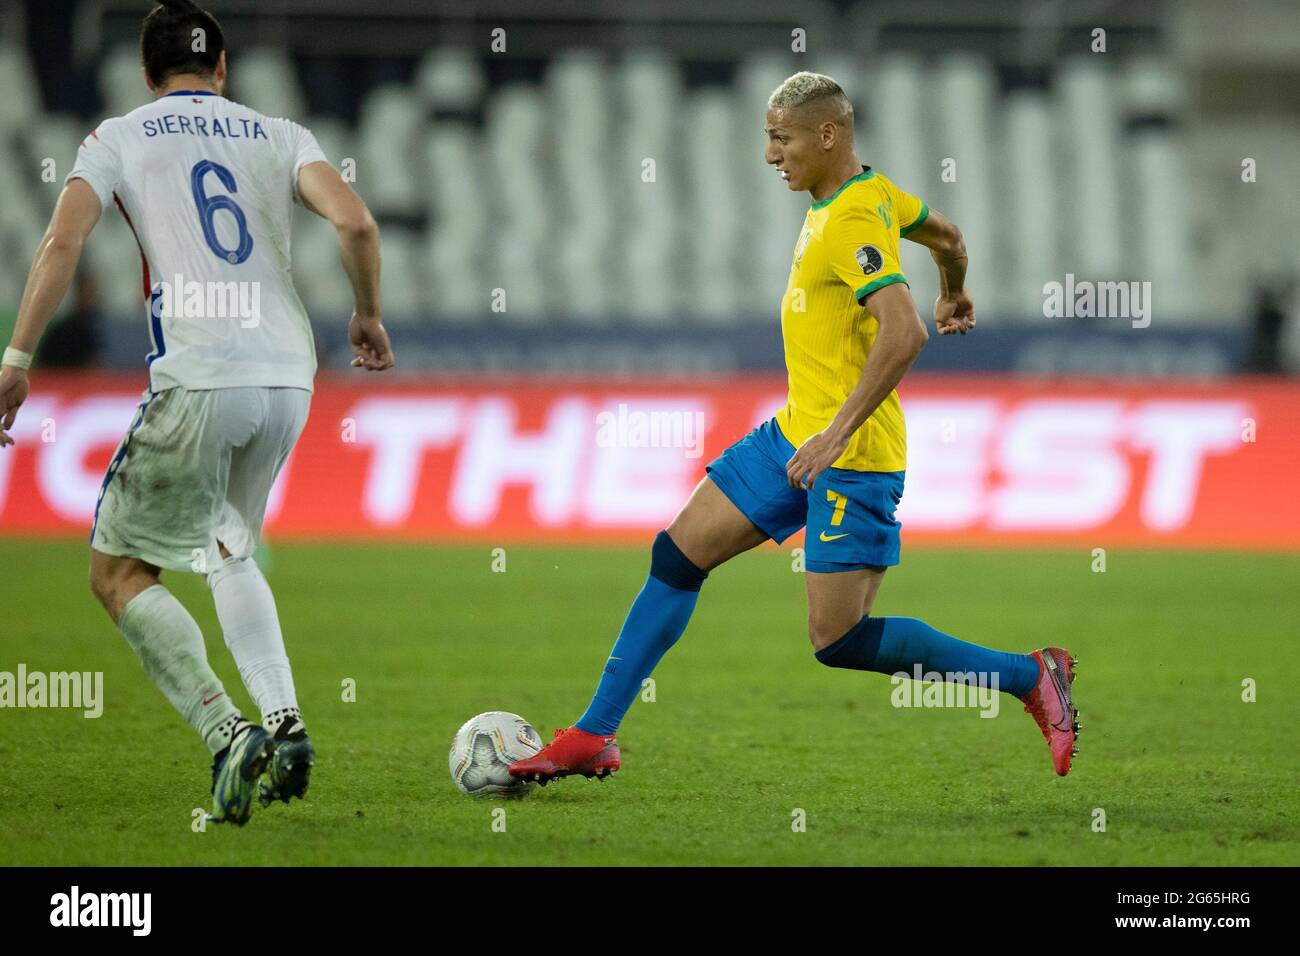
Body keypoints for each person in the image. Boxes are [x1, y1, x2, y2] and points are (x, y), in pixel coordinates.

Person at [510, 71, 1079, 786]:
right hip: (792, 435)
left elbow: (903, 335)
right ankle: (595, 732)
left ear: (827, 134)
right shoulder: (866, 193)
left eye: (780, 139)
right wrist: (955, 286)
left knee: (836, 640)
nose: (771, 155)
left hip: (851, 453)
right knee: (677, 556)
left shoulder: (849, 222)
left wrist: (838, 433)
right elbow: (949, 235)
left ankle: (1030, 676)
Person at [0, 0, 394, 824]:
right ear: (222, 69)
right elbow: (355, 221)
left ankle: (228, 732)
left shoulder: (119, 136)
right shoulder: (281, 132)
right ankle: (285, 724)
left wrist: (17, 359)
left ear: (148, 77)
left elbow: (63, 245)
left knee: (115, 571)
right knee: (227, 543)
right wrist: (365, 315)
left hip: (201, 370)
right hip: (288, 376)